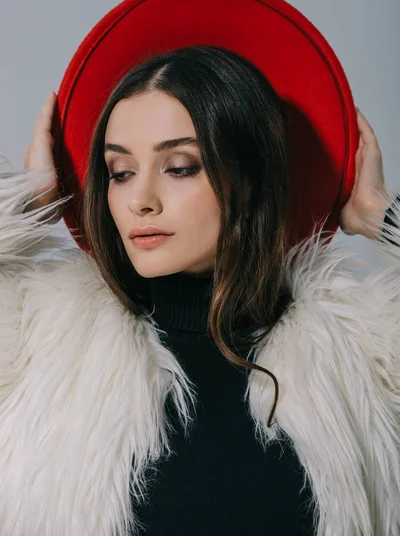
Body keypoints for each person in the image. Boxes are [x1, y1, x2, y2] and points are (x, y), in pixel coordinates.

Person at [0, 44, 399, 536]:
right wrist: (30, 203)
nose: (139, 201)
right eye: (120, 173)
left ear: (248, 179)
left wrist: (383, 216)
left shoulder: (361, 350)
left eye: (180, 166)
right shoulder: (41, 341)